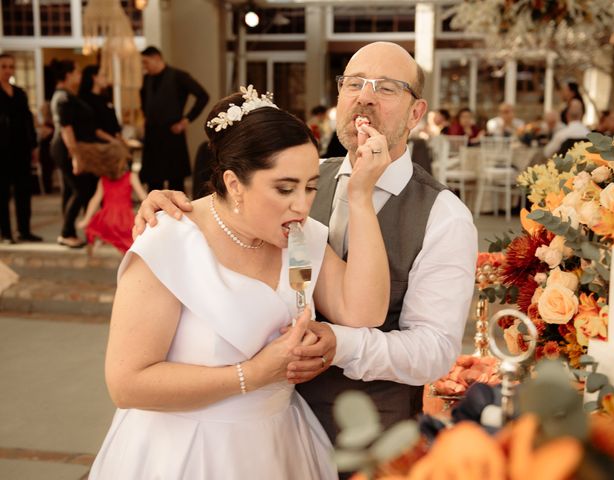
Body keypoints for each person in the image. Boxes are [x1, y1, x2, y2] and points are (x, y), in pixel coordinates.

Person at [135, 42, 477, 447]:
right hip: (267, 423)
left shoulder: (444, 215)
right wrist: (182, 211)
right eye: (354, 83)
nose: (365, 96)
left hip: (369, 435)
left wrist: (341, 345)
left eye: (386, 88)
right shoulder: (304, 175)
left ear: (416, 113)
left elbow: (434, 350)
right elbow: (233, 211)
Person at [89, 86, 392, 479]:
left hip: (280, 446)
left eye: (310, 187)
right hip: (186, 453)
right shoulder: (170, 241)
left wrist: (362, 195)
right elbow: (126, 383)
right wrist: (253, 374)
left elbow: (364, 311)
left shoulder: (304, 236)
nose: (301, 205)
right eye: (284, 189)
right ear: (234, 183)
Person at [139, 46, 209, 193]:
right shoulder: (146, 79)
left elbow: (203, 96)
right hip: (152, 135)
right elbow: (144, 102)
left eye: (146, 62)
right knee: (153, 183)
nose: (144, 66)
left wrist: (186, 120)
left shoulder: (179, 76)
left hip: (172, 133)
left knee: (175, 182)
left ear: (157, 58)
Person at [49, 59, 100, 248]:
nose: (80, 76)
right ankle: (66, 233)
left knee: (72, 190)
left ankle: (68, 232)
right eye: (77, 72)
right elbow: (66, 128)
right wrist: (76, 155)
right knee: (81, 190)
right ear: (69, 75)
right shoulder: (62, 97)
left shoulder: (66, 95)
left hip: (68, 148)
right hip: (65, 149)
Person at [0, 53, 42, 244]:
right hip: (2, 151)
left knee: (23, 192)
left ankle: (24, 231)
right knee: (3, 193)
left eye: (10, 66)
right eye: (3, 66)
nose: (8, 70)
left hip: (21, 149)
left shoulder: (20, 93)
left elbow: (28, 121)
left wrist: (33, 145)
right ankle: (6, 233)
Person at [77, 157, 147, 255]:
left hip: (105, 219)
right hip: (124, 220)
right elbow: (143, 196)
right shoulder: (131, 176)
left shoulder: (103, 180)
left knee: (94, 232)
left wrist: (86, 219)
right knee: (129, 244)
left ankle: (96, 248)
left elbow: (95, 201)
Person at [79, 65, 122, 139]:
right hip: (99, 142)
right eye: (103, 75)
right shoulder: (85, 100)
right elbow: (94, 128)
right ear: (94, 78)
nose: (106, 79)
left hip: (113, 140)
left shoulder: (105, 98)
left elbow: (113, 122)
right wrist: (113, 141)